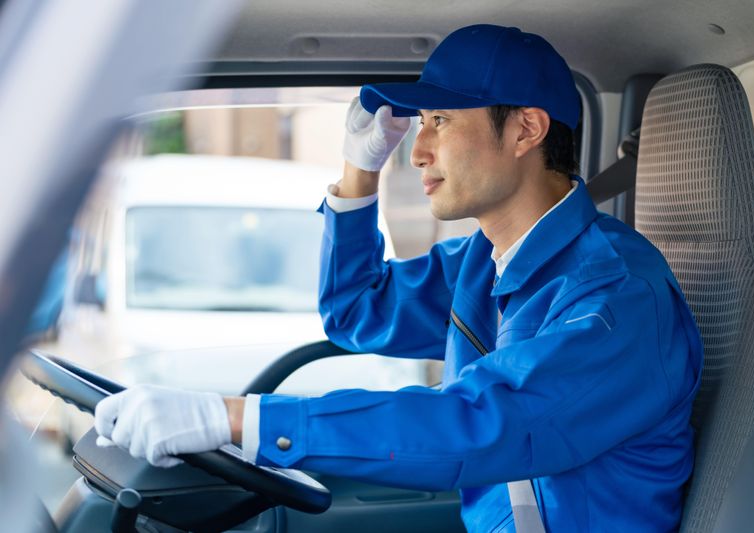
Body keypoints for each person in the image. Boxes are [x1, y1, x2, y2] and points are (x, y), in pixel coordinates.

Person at [95, 24, 703, 532]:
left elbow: (485, 423)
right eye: (420, 124)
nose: (416, 151)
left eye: (440, 119)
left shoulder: (618, 297)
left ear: (525, 129)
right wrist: (358, 172)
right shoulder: (484, 260)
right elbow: (356, 311)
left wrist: (236, 419)